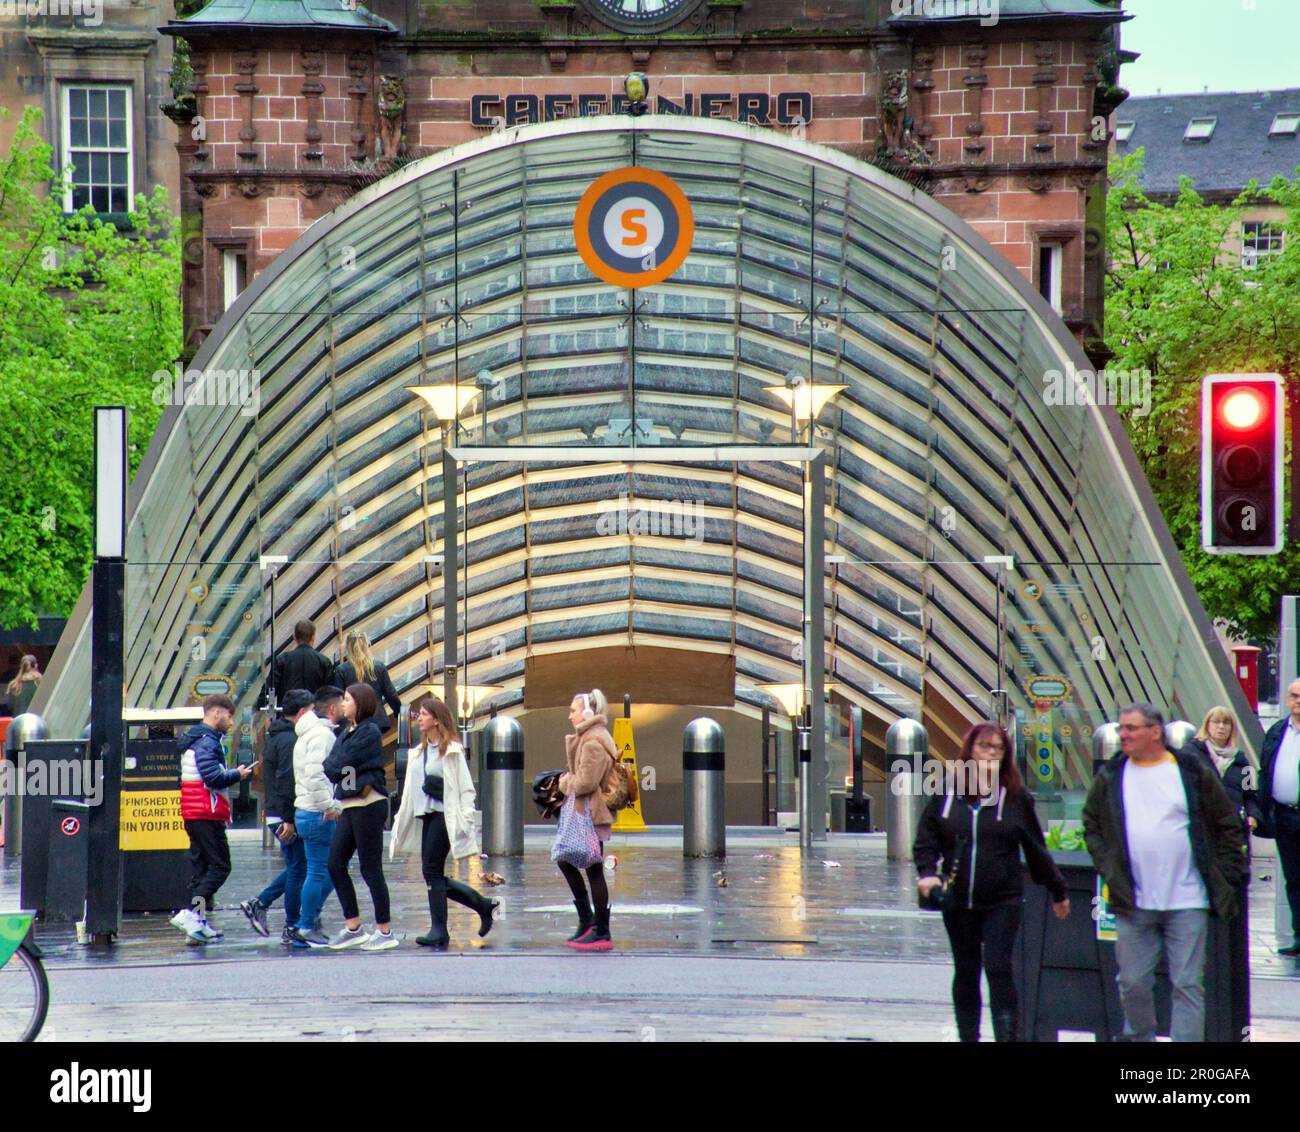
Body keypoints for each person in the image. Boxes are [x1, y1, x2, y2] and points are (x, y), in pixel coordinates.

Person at [1083, 703, 1246, 1041]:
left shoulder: (1188, 770)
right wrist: (1108, 866)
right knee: (1132, 983)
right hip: (1134, 900)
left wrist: (1227, 874)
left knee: (1187, 983)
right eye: (1122, 728)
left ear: (1155, 732)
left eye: (1131, 728)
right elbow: (1092, 824)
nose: (1123, 735)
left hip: (1188, 899)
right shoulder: (1111, 775)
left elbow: (1226, 822)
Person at [913, 721, 1069, 1042]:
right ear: (970, 749)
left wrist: (1057, 889)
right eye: (984, 746)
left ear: (1005, 756)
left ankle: (1007, 1036)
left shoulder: (1014, 798)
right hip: (958, 900)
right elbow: (926, 838)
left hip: (1002, 899)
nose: (990, 754)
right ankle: (968, 1035)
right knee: (966, 969)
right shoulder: (948, 792)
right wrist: (927, 873)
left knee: (999, 967)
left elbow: (1035, 848)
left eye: (997, 749)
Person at [390, 694, 498, 949]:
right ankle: (483, 905)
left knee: (430, 871)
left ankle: (440, 929)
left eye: (424, 715)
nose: (419, 719)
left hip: (445, 817)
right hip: (426, 815)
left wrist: (466, 819)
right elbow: (409, 792)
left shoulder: (452, 751)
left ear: (437, 721)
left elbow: (465, 788)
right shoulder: (418, 753)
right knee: (433, 873)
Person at [170, 694, 253, 944]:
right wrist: (237, 774)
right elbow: (212, 778)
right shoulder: (208, 742)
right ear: (216, 713)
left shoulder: (194, 740)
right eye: (229, 715)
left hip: (193, 811)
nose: (231, 721)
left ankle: (198, 924)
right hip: (206, 812)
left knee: (202, 869)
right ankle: (191, 916)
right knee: (221, 866)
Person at [322, 683, 396, 951]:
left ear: (361, 703)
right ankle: (353, 925)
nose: (343, 703)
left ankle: (384, 931)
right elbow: (330, 767)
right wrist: (339, 766)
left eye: (348, 699)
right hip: (349, 804)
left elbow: (343, 762)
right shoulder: (346, 731)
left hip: (369, 802)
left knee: (370, 867)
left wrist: (339, 766)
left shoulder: (370, 731)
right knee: (335, 863)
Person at [239, 688, 314, 937]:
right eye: (312, 711)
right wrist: (289, 819)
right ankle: (291, 924)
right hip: (284, 814)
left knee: (298, 865)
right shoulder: (292, 740)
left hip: (274, 811)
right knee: (298, 868)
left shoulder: (274, 736)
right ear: (302, 712)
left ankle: (261, 903)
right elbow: (287, 780)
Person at [556, 688, 620, 952]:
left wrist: (563, 782)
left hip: (591, 814)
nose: (569, 715)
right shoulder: (591, 737)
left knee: (591, 868)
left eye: (573, 710)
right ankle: (590, 923)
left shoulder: (593, 741)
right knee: (570, 860)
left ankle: (599, 929)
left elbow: (584, 782)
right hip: (587, 813)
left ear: (587, 712)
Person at [286, 686, 344, 949]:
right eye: (343, 703)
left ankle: (307, 922)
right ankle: (306, 925)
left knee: (322, 870)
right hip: (317, 812)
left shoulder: (309, 734)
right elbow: (316, 775)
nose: (345, 707)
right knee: (322, 871)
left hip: (307, 811)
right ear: (331, 709)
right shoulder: (321, 736)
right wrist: (329, 806)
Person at [1182, 706, 1262, 854]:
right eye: (1216, 722)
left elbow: (1251, 796)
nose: (1221, 727)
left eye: (1226, 723)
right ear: (1207, 725)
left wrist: (1253, 816)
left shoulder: (1243, 761)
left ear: (1232, 728)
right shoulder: (1191, 753)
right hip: (1200, 828)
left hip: (1232, 831)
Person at [1259, 679, 1300, 956]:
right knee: (1294, 878)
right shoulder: (1276, 731)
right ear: (1287, 699)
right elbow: (1266, 768)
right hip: (1285, 816)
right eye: (1294, 696)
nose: (1298, 701)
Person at [333, 630, 402, 734]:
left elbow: (339, 699)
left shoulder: (341, 670)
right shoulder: (379, 667)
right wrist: (400, 713)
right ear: (366, 644)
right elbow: (391, 695)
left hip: (352, 723)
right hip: (377, 720)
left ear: (347, 647)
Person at [264, 620, 334, 708]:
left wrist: (261, 709)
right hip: (314, 715)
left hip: (288, 714)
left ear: (294, 637)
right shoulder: (324, 661)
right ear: (313, 637)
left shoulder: (282, 660)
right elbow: (329, 692)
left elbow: (270, 688)